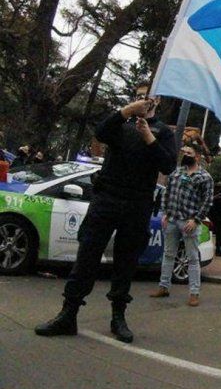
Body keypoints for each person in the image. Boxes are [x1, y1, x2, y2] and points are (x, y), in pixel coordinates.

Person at [34, 96, 176, 343]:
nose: (145, 101)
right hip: (107, 197)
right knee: (88, 253)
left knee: (126, 261)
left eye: (150, 97)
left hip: (137, 202)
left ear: (157, 102)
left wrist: (149, 138)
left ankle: (118, 317)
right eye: (141, 96)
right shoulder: (121, 122)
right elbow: (100, 132)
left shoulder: (163, 131)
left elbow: (168, 165)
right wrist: (127, 112)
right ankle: (68, 313)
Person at [150, 144, 213, 306]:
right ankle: (163, 286)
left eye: (189, 152)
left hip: (189, 222)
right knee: (168, 254)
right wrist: (165, 213)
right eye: (184, 152)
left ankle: (194, 293)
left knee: (192, 258)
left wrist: (196, 220)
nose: (185, 154)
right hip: (172, 219)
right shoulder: (177, 172)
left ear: (197, 157)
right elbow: (166, 192)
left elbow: (207, 201)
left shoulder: (204, 177)